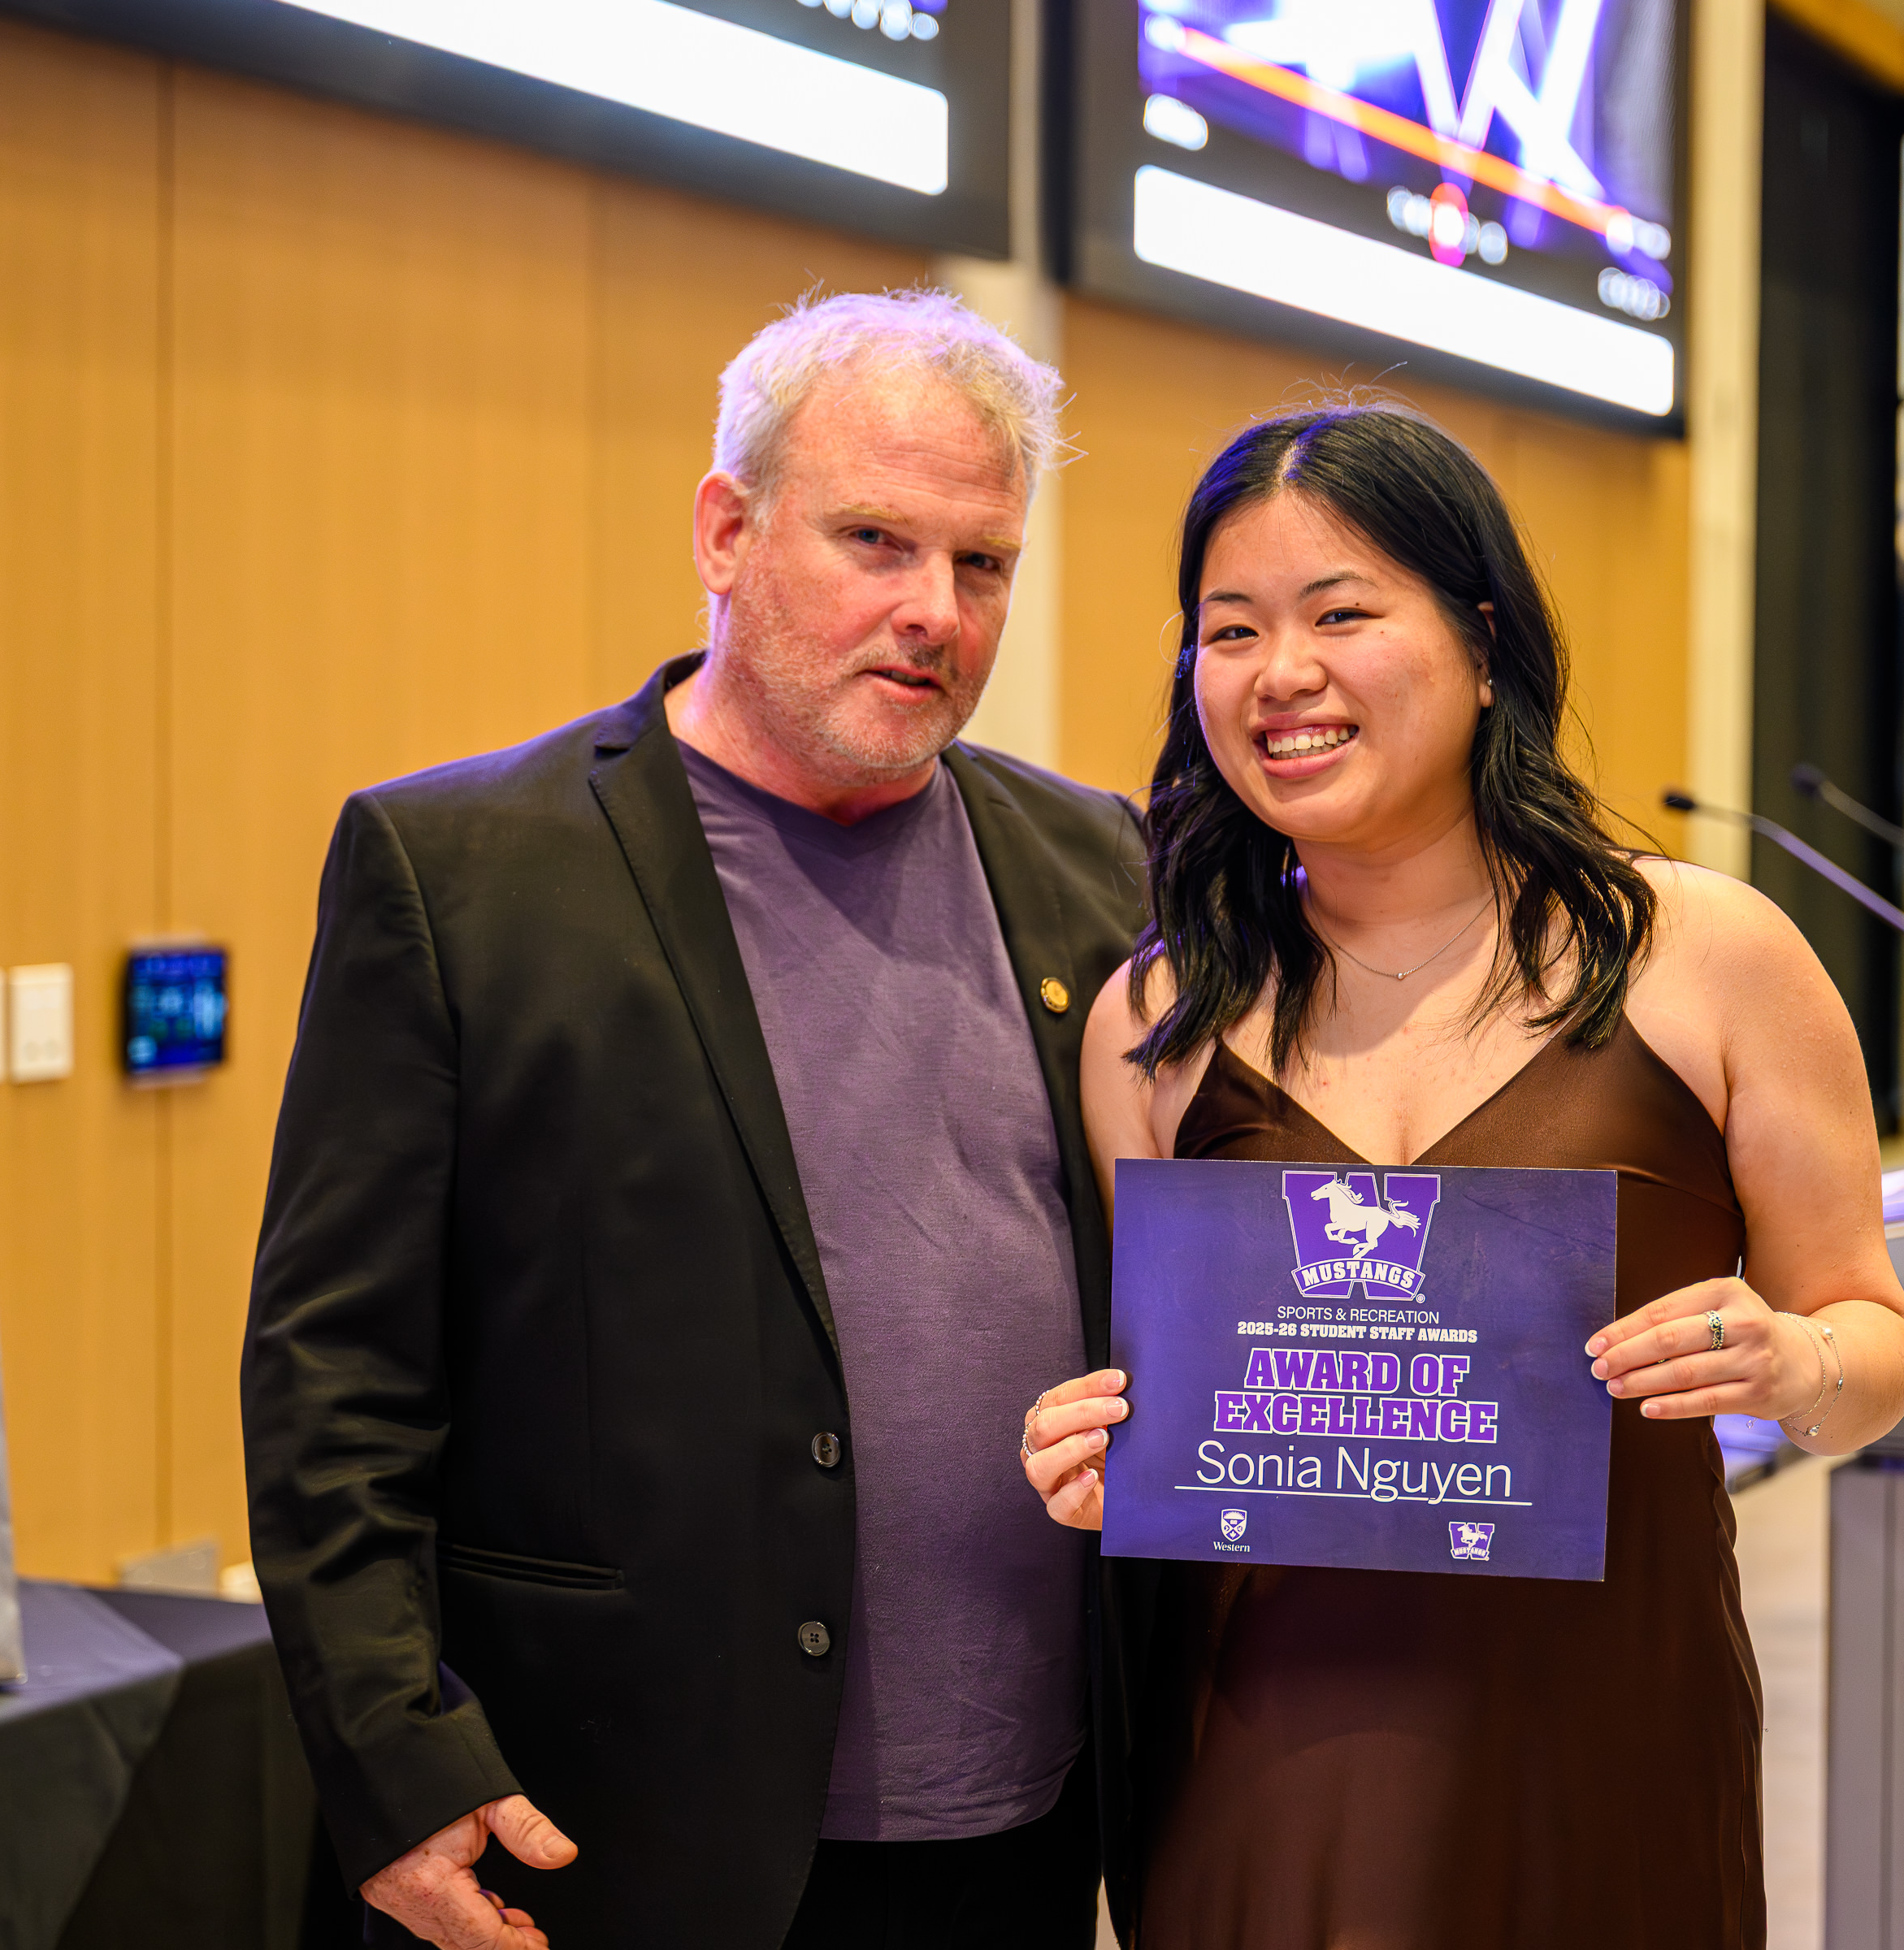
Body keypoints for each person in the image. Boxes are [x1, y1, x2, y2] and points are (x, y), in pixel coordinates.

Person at [243, 290, 1148, 1950]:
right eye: (875, 541)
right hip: (606, 1830)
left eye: (983, 563)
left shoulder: (1102, 867)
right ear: (727, 531)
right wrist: (393, 1758)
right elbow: (335, 1383)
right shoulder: (458, 874)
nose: (934, 611)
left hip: (1022, 1828)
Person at [1018, 405, 1904, 1947]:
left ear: (1484, 641)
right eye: (1229, 631)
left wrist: (1793, 1362)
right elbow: (1184, 1417)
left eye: (1341, 615)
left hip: (1601, 1748)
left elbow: (1873, 1340)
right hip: (1265, 1766)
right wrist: (1101, 1454)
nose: (1279, 673)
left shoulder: (1706, 959)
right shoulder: (1154, 1022)